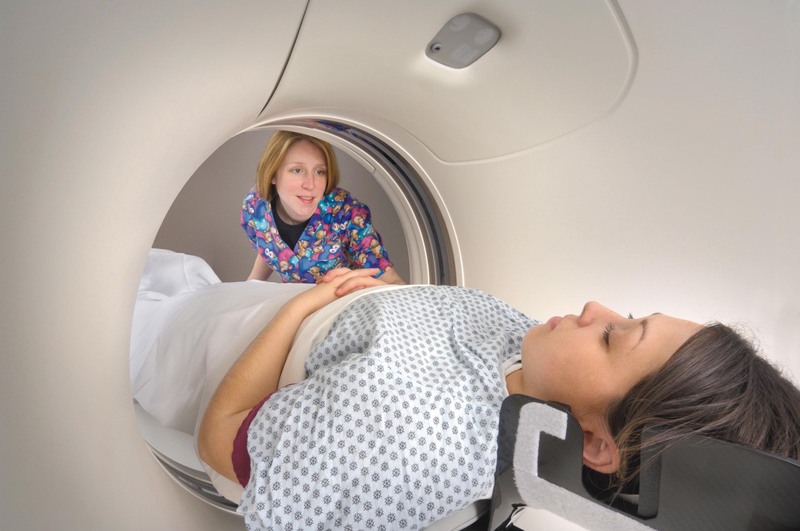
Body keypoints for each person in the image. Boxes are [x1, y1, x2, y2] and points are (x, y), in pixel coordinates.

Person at [197, 269, 800, 529]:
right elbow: (440, 327)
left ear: (596, 443)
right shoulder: (531, 353)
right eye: (630, 314)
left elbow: (218, 437)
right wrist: (400, 295)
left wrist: (301, 306)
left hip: (226, 347)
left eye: (613, 337)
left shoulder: (404, 445)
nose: (595, 308)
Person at [241, 130, 405, 285]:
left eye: (319, 172)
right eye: (297, 170)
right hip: (296, 300)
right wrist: (252, 283)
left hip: (341, 300)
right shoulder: (255, 207)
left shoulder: (347, 215)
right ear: (273, 174)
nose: (310, 184)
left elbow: (392, 281)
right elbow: (269, 243)